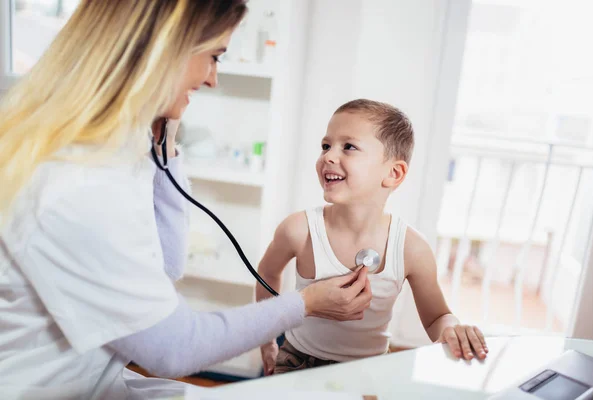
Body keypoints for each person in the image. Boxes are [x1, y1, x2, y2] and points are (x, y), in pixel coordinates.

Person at [0, 2, 372, 399]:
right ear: (166, 49)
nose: (212, 78)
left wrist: (167, 150)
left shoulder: (117, 148)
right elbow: (175, 348)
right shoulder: (77, 179)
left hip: (91, 380)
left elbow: (167, 266)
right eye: (213, 57)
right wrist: (306, 303)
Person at [257, 99, 488, 375]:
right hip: (297, 361)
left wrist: (452, 330)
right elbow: (267, 273)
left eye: (349, 147)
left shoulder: (411, 248)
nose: (329, 156)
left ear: (393, 173)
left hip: (370, 370)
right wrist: (266, 341)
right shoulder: (299, 230)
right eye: (326, 145)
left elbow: (437, 316)